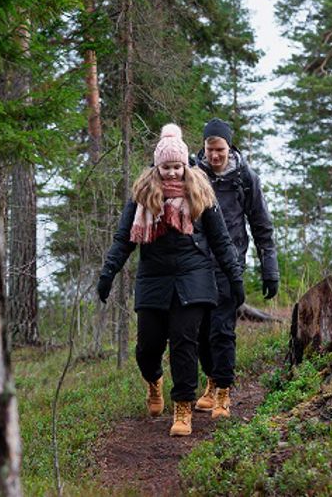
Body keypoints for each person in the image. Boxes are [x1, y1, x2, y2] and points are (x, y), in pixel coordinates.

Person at [97, 123, 243, 437]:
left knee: (184, 343)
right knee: (147, 347)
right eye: (167, 167)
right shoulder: (142, 195)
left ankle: (183, 409)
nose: (173, 173)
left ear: (185, 164)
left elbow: (220, 241)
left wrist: (235, 277)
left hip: (194, 277)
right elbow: (124, 240)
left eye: (178, 166)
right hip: (154, 278)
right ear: (157, 166)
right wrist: (108, 273)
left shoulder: (201, 190)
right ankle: (154, 381)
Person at [194, 118, 279, 419]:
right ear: (203, 148)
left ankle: (224, 392)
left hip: (230, 264)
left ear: (229, 148)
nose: (215, 156)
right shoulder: (192, 175)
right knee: (201, 331)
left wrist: (270, 269)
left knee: (222, 329)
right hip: (196, 263)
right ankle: (212, 380)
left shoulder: (245, 178)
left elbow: (261, 225)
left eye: (220, 150)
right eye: (210, 149)